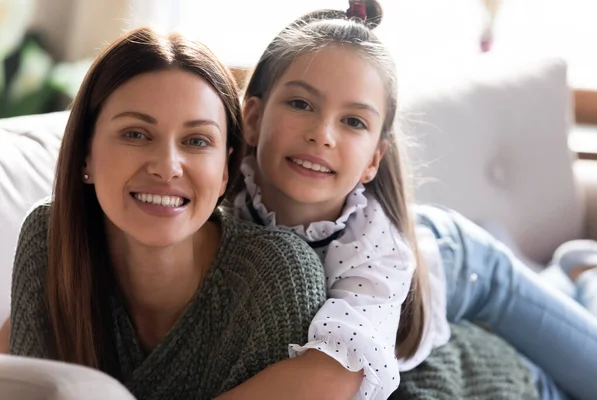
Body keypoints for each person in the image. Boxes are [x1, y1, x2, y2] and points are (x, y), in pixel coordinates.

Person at [230, 1, 597, 400]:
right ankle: (562, 281)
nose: (323, 134)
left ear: (373, 160)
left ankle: (582, 272)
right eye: (301, 104)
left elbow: (340, 372)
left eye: (353, 121)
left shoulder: (376, 253)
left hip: (469, 269)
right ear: (253, 118)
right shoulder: (219, 202)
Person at [2, 27, 367, 400]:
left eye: (196, 141)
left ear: (225, 169)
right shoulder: (49, 236)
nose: (167, 167)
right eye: (136, 134)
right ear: (85, 155)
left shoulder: (274, 274)